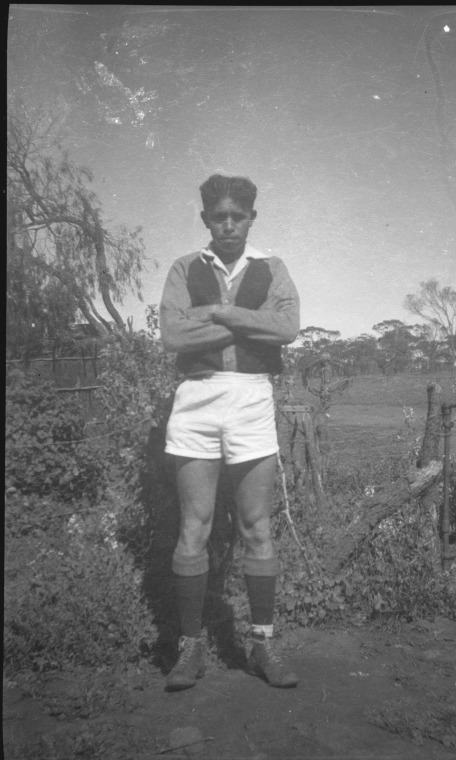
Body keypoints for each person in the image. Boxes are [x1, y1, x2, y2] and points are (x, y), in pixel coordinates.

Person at [159, 174, 300, 691]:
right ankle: (189, 648)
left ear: (251, 218)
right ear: (205, 219)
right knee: (193, 526)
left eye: (237, 216)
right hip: (196, 399)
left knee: (256, 527)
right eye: (218, 216)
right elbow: (173, 334)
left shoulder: (271, 267)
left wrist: (216, 313)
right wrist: (249, 321)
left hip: (251, 398)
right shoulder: (184, 267)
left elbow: (286, 329)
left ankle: (263, 644)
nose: (228, 224)